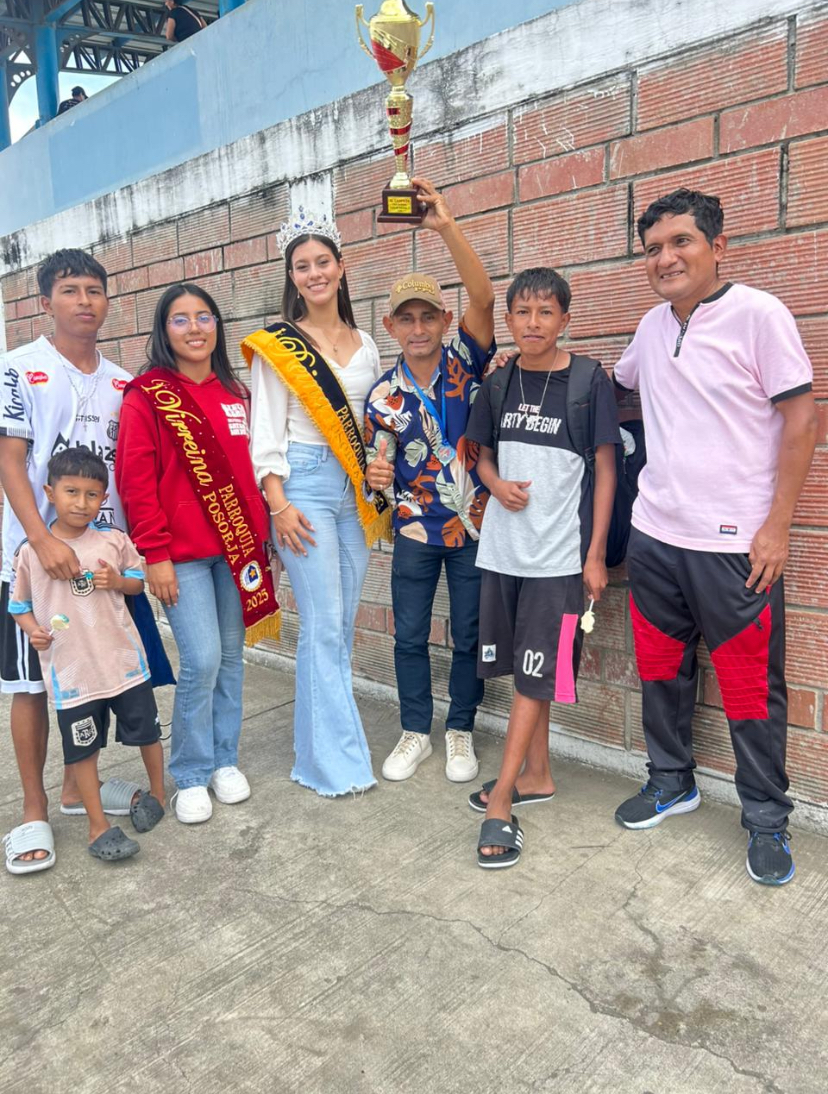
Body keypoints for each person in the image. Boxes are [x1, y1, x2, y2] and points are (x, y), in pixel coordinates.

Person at [612, 188, 817, 886]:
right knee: (660, 672)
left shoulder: (760, 316)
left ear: (717, 246)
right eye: (652, 249)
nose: (665, 258)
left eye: (681, 242)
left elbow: (801, 420)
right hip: (654, 537)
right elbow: (616, 387)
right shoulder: (650, 327)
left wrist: (777, 527)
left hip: (735, 549)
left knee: (751, 689)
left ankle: (765, 817)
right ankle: (671, 782)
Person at [464, 267, 619, 868]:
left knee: (536, 673)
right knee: (530, 669)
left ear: (565, 320)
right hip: (504, 553)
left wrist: (595, 554)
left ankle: (504, 798)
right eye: (523, 313)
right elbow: (480, 457)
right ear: (508, 320)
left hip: (559, 559)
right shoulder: (498, 383)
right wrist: (495, 484)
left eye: (546, 312)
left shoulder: (587, 381)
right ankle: (538, 773)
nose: (534, 323)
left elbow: (606, 469)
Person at [116, 283, 279, 824]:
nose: (194, 328)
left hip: (238, 552)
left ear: (217, 326)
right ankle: (189, 772)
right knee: (203, 660)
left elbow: (255, 471)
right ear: (164, 330)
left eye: (204, 317)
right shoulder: (146, 395)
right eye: (180, 319)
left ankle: (224, 760)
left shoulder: (238, 393)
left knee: (231, 659)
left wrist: (264, 538)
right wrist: (154, 553)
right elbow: (136, 482)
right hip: (180, 556)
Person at [243, 208, 390, 798]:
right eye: (301, 266)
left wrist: (378, 464)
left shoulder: (367, 343)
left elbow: (375, 424)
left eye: (322, 262)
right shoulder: (279, 346)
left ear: (341, 267)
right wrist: (278, 505)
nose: (314, 273)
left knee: (340, 625)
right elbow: (265, 432)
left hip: (354, 491)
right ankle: (335, 763)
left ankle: (317, 750)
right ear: (292, 277)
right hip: (301, 486)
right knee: (323, 626)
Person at [0, 248, 135, 875]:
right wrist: (42, 539)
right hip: (34, 563)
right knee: (31, 684)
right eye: (70, 290)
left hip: (98, 566)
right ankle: (33, 810)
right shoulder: (18, 368)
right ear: (45, 301)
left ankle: (77, 789)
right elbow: (10, 461)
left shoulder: (122, 382)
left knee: (96, 675)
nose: (84, 301)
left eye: (94, 290)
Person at [364, 177, 496, 785]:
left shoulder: (466, 361)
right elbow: (379, 466)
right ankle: (416, 730)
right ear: (390, 326)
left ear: (444, 320)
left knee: (469, 634)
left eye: (427, 317)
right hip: (416, 530)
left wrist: (445, 226)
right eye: (405, 319)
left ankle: (460, 729)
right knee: (410, 635)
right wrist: (375, 475)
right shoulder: (381, 396)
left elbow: (484, 297)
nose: (417, 328)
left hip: (474, 527)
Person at [8, 449, 165, 865]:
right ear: (50, 493)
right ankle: (97, 825)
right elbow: (18, 606)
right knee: (82, 750)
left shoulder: (113, 540)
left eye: (92, 494)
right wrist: (34, 631)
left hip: (125, 665)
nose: (81, 503)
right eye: (71, 492)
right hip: (73, 675)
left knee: (148, 733)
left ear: (103, 498)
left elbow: (138, 580)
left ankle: (158, 794)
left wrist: (118, 581)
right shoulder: (32, 552)